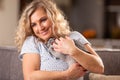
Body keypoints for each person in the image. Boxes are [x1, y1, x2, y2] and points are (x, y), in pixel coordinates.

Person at [15, 0, 104, 80]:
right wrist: (66, 75)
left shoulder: (74, 36)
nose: (40, 27)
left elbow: (99, 68)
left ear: (53, 18)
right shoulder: (33, 42)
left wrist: (73, 51)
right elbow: (30, 77)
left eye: (43, 20)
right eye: (34, 25)